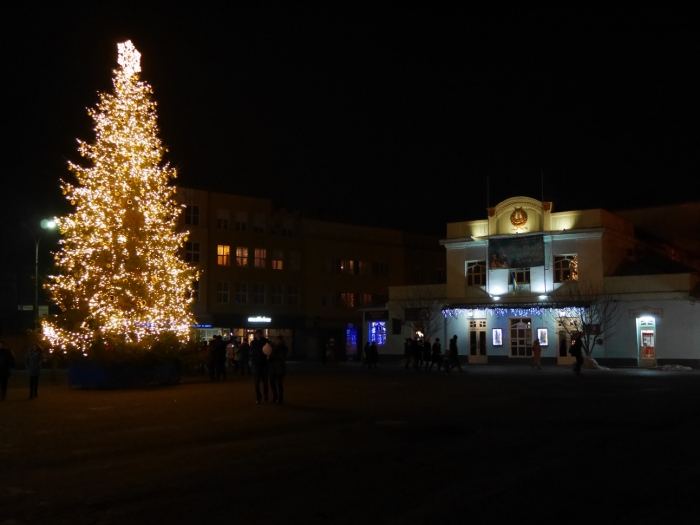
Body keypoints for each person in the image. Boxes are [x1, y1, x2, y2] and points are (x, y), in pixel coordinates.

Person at [250, 329, 270, 403]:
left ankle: (265, 395)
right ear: (256, 334)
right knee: (257, 383)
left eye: (259, 334)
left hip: (264, 364)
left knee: (265, 382)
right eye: (257, 334)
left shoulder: (265, 341)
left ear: (261, 334)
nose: (258, 335)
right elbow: (251, 352)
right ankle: (258, 397)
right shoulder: (253, 342)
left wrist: (268, 356)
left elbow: (270, 349)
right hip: (256, 364)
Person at [269, 336, 289, 404]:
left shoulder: (284, 348)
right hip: (273, 368)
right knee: (272, 383)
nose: (278, 341)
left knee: (279, 384)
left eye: (279, 340)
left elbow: (281, 357)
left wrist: (272, 356)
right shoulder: (274, 347)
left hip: (280, 368)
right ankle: (275, 396)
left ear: (282, 341)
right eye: (277, 340)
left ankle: (280, 398)